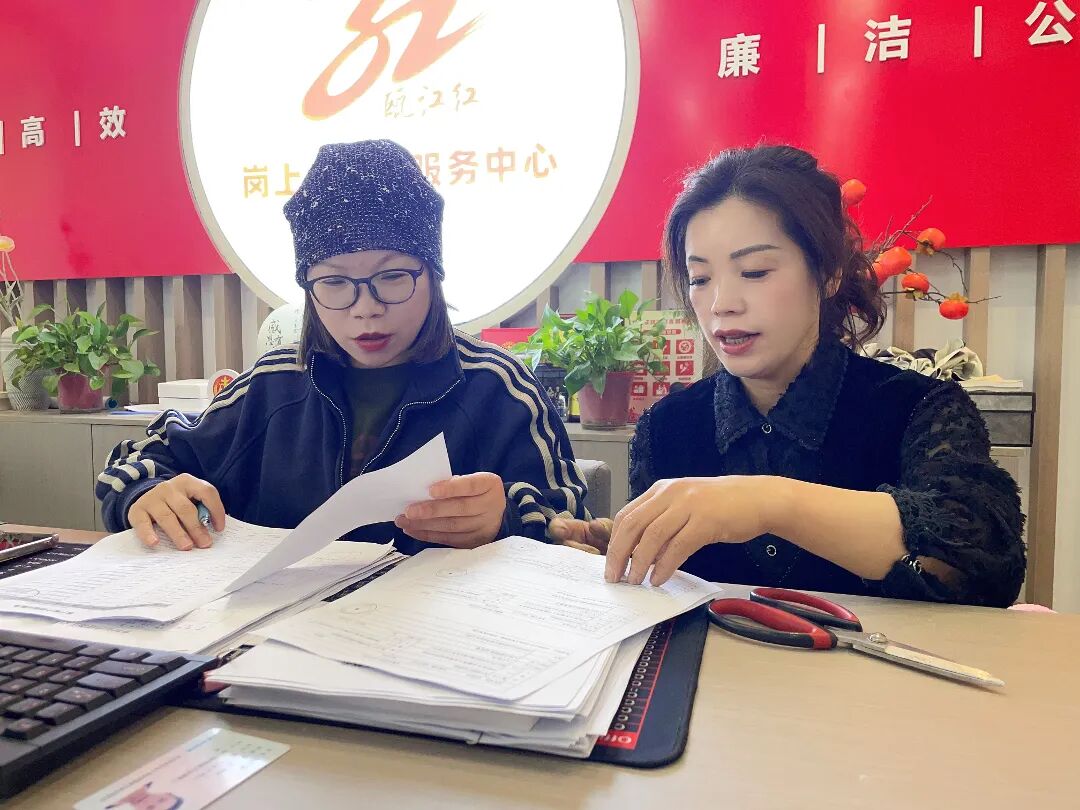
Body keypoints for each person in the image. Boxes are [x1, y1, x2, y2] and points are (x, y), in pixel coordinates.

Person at [551, 145, 1025, 607]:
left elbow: (984, 565)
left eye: (755, 271)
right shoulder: (667, 426)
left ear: (829, 272)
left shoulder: (917, 408)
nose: (722, 304)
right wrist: (630, 547)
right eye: (700, 279)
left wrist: (768, 503)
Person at [97, 140, 589, 554]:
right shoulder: (274, 385)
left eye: (392, 277)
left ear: (433, 277)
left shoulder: (498, 388)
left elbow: (572, 526)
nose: (365, 309)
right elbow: (142, 459)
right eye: (334, 283)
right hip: (279, 634)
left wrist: (506, 519)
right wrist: (148, 492)